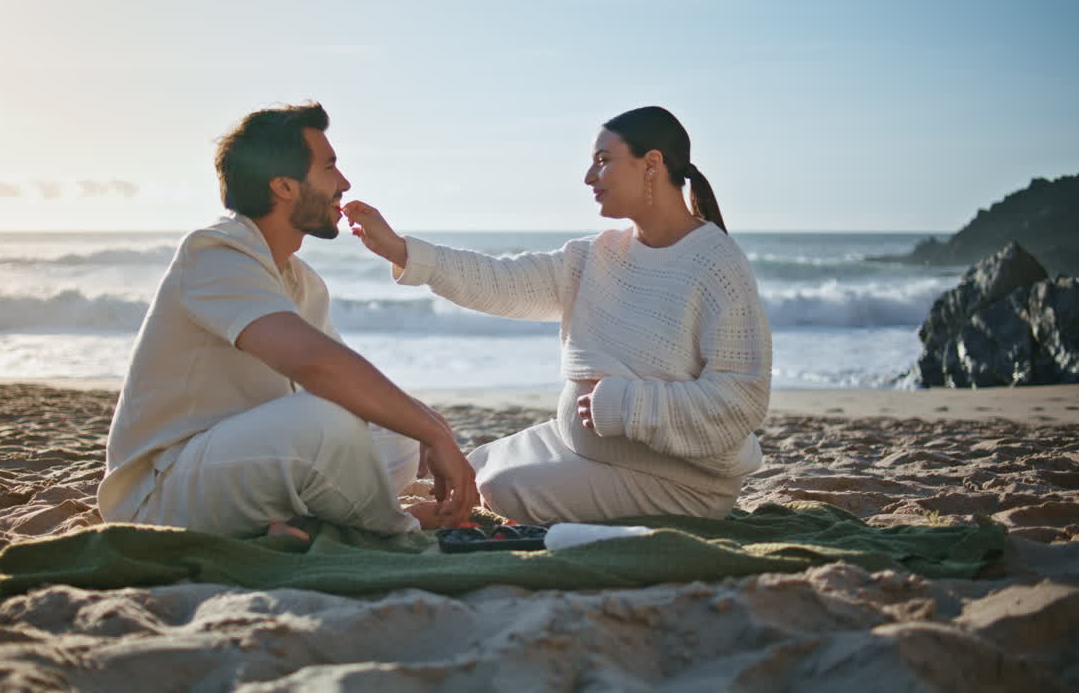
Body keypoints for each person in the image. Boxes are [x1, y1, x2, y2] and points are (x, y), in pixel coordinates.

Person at [344, 106, 771, 524]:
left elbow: (741, 399)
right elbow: (502, 280)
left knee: (501, 489)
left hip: (682, 479)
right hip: (580, 447)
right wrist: (402, 250)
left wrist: (623, 405)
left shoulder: (717, 264)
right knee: (475, 468)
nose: (589, 178)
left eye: (603, 162)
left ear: (651, 164)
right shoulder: (597, 255)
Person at [97, 103, 478, 541]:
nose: (345, 184)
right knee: (324, 423)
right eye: (330, 167)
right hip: (160, 494)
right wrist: (435, 432)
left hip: (236, 461)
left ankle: (303, 523)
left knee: (397, 434)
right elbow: (316, 366)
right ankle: (393, 528)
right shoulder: (216, 252)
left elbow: (346, 383)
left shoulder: (301, 280)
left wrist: (427, 427)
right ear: (283, 186)